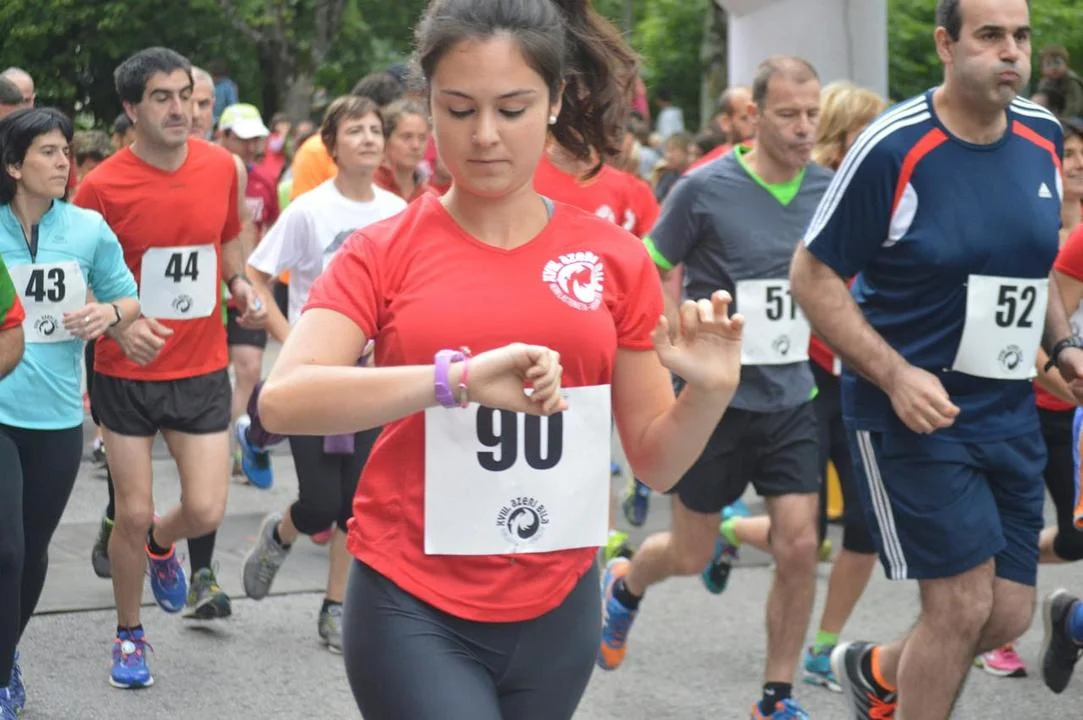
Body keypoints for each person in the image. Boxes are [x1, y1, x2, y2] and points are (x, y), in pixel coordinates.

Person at [256, 0, 744, 717]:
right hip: (411, 600)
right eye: (459, 110)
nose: (484, 135)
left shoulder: (614, 258)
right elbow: (283, 399)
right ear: (427, 104)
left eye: (512, 109)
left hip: (560, 604)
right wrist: (454, 380)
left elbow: (656, 462)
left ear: (555, 102)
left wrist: (708, 392)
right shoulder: (383, 250)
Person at [790, 1, 1072, 717]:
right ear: (946, 45)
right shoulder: (893, 145)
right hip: (913, 413)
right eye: (989, 35)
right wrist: (894, 374)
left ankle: (875, 671)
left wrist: (1062, 343)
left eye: (1020, 36)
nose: (1009, 51)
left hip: (1006, 406)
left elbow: (1032, 261)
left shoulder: (1041, 134)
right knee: (959, 606)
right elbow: (811, 275)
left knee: (1005, 615)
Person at [601, 56, 831, 720]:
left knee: (798, 543)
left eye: (812, 114)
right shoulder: (703, 188)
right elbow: (646, 266)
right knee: (690, 550)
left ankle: (775, 697)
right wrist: (672, 334)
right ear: (753, 115)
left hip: (793, 397)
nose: (803, 127)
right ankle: (627, 583)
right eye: (787, 114)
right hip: (715, 403)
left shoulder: (828, 189)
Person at [73, 46, 266, 689]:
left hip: (200, 365)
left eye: (185, 94)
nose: (180, 108)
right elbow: (77, 281)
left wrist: (238, 282)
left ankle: (162, 546)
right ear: (131, 109)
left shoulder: (222, 167)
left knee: (205, 510)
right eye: (162, 97)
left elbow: (228, 237)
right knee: (130, 512)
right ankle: (129, 635)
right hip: (125, 371)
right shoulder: (101, 188)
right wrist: (120, 325)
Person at [703, 82, 886, 696]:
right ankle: (728, 534)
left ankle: (823, 647)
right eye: (865, 129)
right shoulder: (809, 189)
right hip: (807, 379)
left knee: (864, 526)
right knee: (805, 535)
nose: (878, 140)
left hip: (864, 378)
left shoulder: (882, 190)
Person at [238, 95, 406, 653]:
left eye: (375, 129)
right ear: (331, 145)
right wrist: (292, 340)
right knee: (320, 503)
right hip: (313, 378)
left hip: (372, 378)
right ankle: (280, 532)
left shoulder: (397, 211)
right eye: (355, 130)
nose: (369, 138)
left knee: (355, 504)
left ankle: (335, 607)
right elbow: (256, 274)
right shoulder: (309, 211)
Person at [0, 107, 139, 718]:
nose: (64, 163)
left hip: (58, 417)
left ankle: (6, 654)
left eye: (66, 151)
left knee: (31, 553)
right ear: (13, 165)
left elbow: (129, 299)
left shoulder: (87, 228)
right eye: (49, 152)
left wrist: (107, 315)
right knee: (5, 549)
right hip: (1, 410)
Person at [1036, 45, 1083, 119]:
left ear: (1066, 65)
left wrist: (1061, 119)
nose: (1053, 67)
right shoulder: (1044, 83)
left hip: (1076, 116)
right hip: (1057, 114)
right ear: (1042, 69)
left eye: (1057, 62)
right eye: (1048, 64)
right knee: (1039, 98)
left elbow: (1074, 106)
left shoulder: (1071, 81)